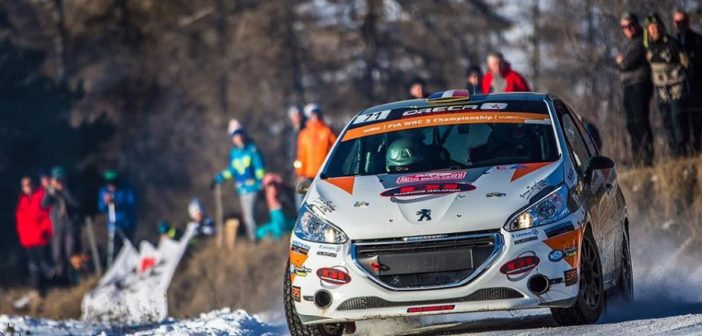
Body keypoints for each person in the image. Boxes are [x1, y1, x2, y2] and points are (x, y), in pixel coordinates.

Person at [644, 13, 690, 156]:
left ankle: (683, 153)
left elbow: (686, 63)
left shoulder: (673, 43)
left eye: (657, 27)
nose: (655, 30)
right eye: (652, 28)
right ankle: (674, 154)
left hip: (676, 87)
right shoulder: (648, 48)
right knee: (667, 122)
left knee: (678, 120)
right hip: (660, 90)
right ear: (648, 30)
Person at [212, 119, 265, 241]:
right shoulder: (234, 153)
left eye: (239, 134)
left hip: (253, 188)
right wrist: (219, 178)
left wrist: (260, 182)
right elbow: (232, 170)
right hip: (241, 189)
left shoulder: (252, 149)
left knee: (251, 216)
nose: (238, 138)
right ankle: (253, 238)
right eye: (235, 136)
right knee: (247, 217)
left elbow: (259, 167)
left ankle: (255, 240)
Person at [616, 12, 654, 165]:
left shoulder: (640, 41)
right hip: (628, 86)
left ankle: (647, 158)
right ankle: (637, 158)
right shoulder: (628, 44)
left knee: (640, 122)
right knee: (631, 124)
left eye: (630, 25)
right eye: (624, 26)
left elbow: (625, 63)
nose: (628, 29)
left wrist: (621, 61)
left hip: (640, 85)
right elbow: (620, 63)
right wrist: (621, 61)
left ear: (637, 24)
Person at [15, 176, 52, 297]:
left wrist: (46, 230)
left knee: (45, 263)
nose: (28, 187)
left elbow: (48, 214)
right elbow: (20, 219)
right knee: (33, 265)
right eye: (25, 185)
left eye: (29, 184)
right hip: (28, 239)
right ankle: (37, 288)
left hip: (40, 237)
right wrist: (21, 235)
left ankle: (50, 287)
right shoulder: (23, 200)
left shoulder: (41, 195)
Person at [41, 166, 80, 279]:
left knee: (70, 253)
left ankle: (74, 276)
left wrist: (64, 190)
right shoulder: (52, 193)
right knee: (57, 254)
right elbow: (44, 204)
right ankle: (61, 277)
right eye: (56, 178)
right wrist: (49, 190)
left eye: (60, 178)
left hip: (71, 226)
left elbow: (76, 204)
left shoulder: (71, 189)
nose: (58, 181)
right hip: (57, 227)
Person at [672, 9, 702, 151]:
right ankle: (682, 151)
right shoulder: (672, 41)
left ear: (688, 22)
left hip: (696, 84)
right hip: (678, 86)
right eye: (678, 22)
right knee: (680, 121)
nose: (681, 25)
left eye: (683, 21)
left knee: (697, 118)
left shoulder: (697, 40)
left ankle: (699, 147)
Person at [97, 170, 137, 263]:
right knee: (115, 250)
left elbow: (132, 203)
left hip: (127, 224)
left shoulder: (127, 189)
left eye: (113, 182)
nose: (111, 185)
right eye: (109, 182)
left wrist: (118, 202)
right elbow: (101, 207)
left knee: (127, 248)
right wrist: (106, 203)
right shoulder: (104, 191)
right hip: (113, 226)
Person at [295, 104, 336, 186]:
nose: (315, 116)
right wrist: (300, 173)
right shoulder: (304, 134)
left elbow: (336, 150)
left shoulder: (327, 131)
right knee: (302, 195)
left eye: (316, 113)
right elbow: (301, 155)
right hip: (307, 175)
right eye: (312, 114)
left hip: (324, 174)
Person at [256, 173, 294, 240]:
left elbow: (292, 209)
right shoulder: (261, 201)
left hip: (285, 221)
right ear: (265, 188)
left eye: (275, 185)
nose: (273, 188)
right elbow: (259, 217)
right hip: (268, 224)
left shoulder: (284, 196)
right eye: (270, 185)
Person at [287, 106, 306, 209]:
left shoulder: (306, 130)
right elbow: (292, 153)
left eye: (298, 115)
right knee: (299, 197)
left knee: (303, 196)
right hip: (298, 172)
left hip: (305, 172)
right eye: (294, 116)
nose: (297, 118)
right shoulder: (293, 132)